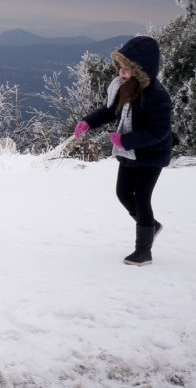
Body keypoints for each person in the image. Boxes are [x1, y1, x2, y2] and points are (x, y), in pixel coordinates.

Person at [74, 35, 173, 266]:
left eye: (128, 69)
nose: (122, 72)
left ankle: (143, 251)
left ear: (142, 70)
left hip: (151, 155)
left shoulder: (157, 96)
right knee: (123, 193)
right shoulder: (123, 89)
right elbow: (110, 112)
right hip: (129, 153)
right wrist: (88, 122)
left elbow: (159, 131)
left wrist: (125, 140)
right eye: (121, 67)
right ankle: (151, 226)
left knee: (142, 199)